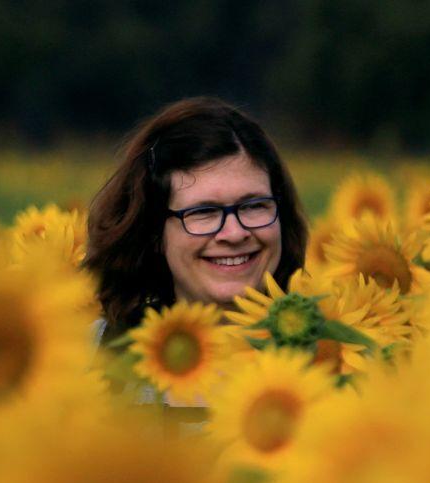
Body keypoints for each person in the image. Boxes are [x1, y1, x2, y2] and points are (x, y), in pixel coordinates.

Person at [85, 97, 309, 345]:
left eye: (254, 206)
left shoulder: (330, 358)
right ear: (154, 232)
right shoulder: (88, 353)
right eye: (204, 211)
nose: (234, 233)